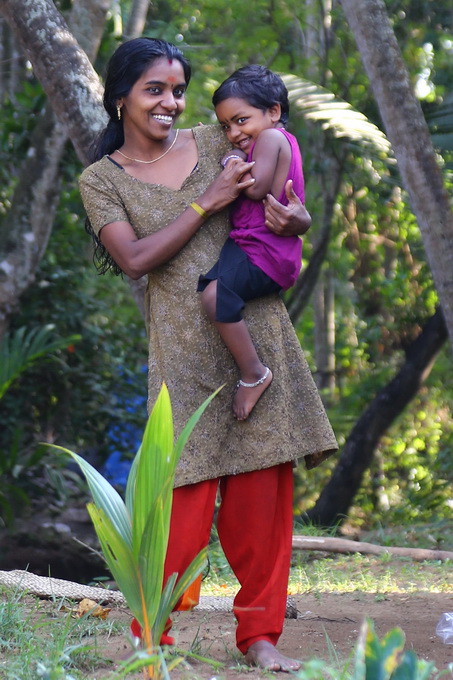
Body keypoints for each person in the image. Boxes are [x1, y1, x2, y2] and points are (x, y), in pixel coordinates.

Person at [79, 37, 337, 672]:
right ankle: (155, 637)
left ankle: (261, 639)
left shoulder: (221, 138)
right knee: (178, 501)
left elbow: (286, 171)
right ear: (120, 98)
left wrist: (298, 220)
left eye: (177, 90)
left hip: (254, 329)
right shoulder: (102, 181)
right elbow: (134, 260)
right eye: (154, 90)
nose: (171, 102)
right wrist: (206, 201)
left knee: (262, 500)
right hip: (181, 348)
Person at [198, 65, 305, 420]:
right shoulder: (274, 139)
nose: (233, 132)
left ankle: (254, 373)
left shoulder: (273, 139)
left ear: (273, 111)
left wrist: (233, 161)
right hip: (251, 246)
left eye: (241, 120)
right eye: (226, 126)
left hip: (266, 253)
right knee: (212, 289)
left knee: (214, 297)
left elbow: (255, 187)